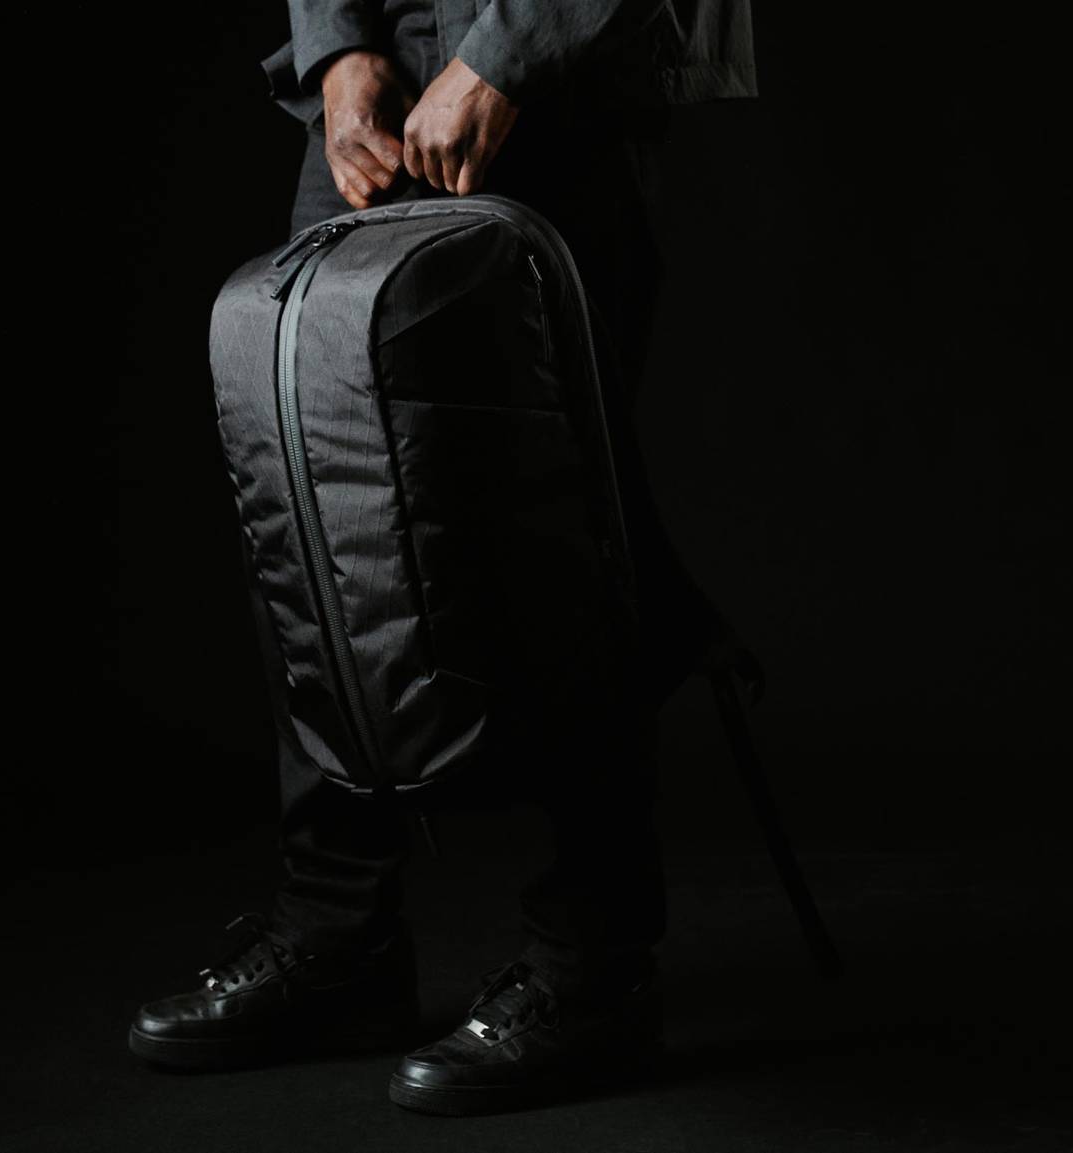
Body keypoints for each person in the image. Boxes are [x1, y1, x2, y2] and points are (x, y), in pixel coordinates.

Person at [131, 0, 758, 1115]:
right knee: (312, 504)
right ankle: (340, 939)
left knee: (554, 520)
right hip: (388, 58)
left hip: (554, 68)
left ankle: (593, 968)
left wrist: (505, 56)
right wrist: (338, 56)